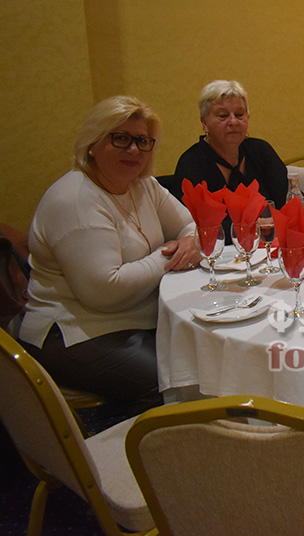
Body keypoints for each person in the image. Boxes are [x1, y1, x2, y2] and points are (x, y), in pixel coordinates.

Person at [15, 96, 199, 405]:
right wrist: (168, 256)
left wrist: (189, 242)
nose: (134, 150)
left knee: (203, 354)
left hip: (138, 318)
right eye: (121, 138)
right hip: (75, 332)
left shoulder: (144, 186)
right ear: (93, 143)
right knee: (178, 379)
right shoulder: (75, 200)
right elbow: (104, 290)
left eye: (142, 141)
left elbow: (191, 227)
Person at [170, 80, 287, 208]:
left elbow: (289, 202)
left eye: (239, 115)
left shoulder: (262, 152)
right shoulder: (191, 164)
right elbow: (191, 218)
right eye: (223, 115)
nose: (233, 122)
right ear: (204, 122)